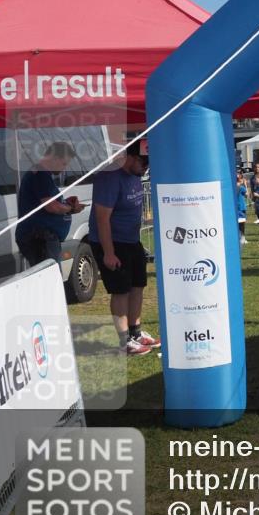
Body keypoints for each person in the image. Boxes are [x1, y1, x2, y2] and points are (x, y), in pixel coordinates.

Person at [89, 141, 159, 356]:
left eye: (149, 163)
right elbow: (102, 219)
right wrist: (109, 253)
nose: (146, 167)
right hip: (111, 242)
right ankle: (123, 341)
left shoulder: (135, 177)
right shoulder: (110, 179)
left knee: (138, 286)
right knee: (120, 291)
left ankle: (135, 331)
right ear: (130, 157)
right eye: (143, 162)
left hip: (131, 241)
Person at [16, 141, 84, 267]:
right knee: (49, 278)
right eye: (64, 164)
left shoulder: (41, 174)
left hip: (41, 237)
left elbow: (48, 203)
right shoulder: (41, 174)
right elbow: (51, 207)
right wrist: (71, 208)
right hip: (40, 238)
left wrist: (65, 203)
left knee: (47, 276)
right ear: (55, 158)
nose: (65, 168)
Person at [235, 171, 248, 245]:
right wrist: (245, 185)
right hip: (241, 207)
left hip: (235, 207)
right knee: (242, 224)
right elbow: (247, 195)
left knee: (236, 223)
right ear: (240, 179)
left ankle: (239, 237)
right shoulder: (242, 187)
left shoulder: (232, 186)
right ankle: (242, 238)